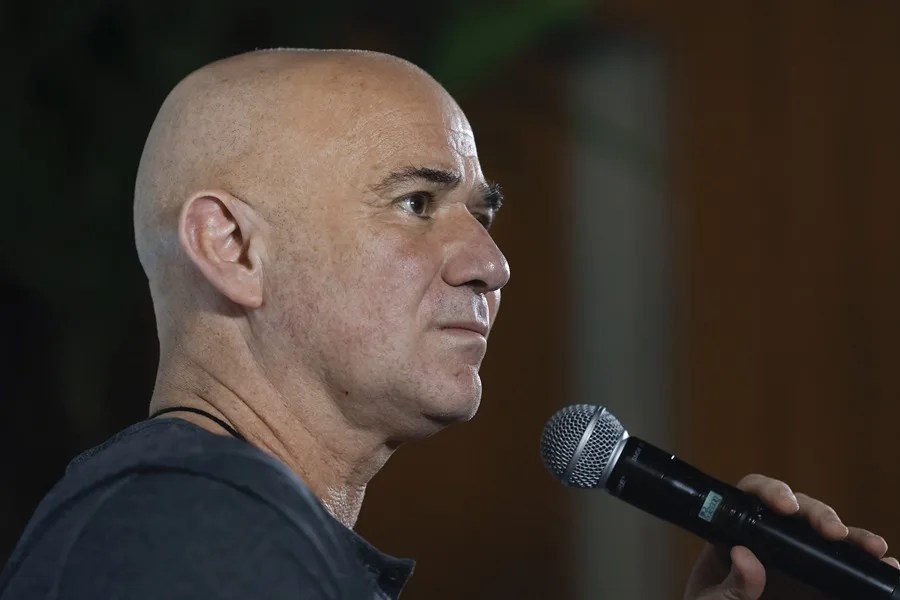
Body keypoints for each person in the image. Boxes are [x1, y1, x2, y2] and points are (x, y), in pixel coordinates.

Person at [0, 49, 894, 600]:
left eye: (482, 213)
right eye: (417, 203)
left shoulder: (216, 526)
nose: (491, 264)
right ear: (232, 247)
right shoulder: (187, 533)